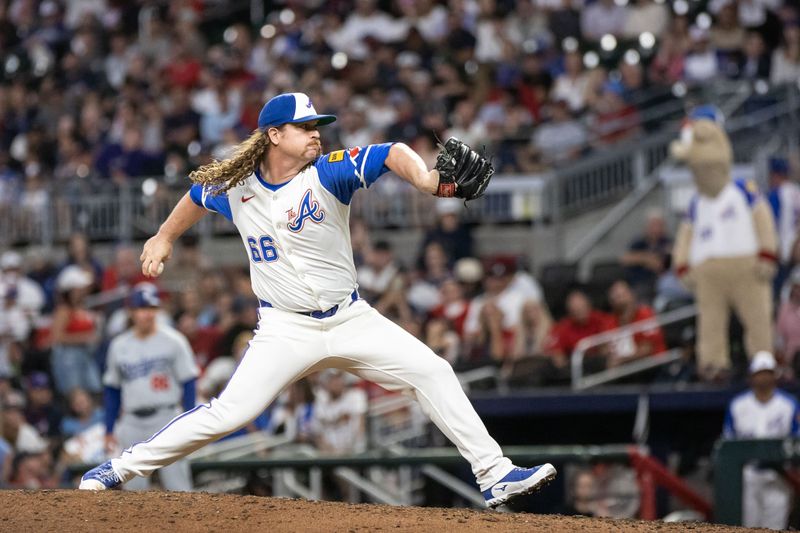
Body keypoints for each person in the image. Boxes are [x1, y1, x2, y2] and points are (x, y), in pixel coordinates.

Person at [80, 92, 556, 508]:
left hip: (350, 318)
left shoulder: (327, 173)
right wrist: (163, 237)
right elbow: (196, 194)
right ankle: (118, 469)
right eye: (304, 127)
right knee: (229, 414)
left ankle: (494, 475)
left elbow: (390, 152)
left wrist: (427, 180)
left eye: (317, 126)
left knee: (433, 371)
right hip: (285, 330)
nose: (315, 135)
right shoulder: (239, 187)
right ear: (273, 135)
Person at [101, 283, 198, 491]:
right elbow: (112, 389)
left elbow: (189, 382)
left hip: (167, 417)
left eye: (152, 309)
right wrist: (109, 428)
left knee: (178, 485)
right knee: (134, 490)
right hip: (132, 422)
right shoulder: (119, 346)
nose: (147, 314)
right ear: (131, 312)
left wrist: (187, 419)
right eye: (142, 309)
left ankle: (188, 524)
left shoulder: (174, 341)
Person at [723, 351, 799, 530]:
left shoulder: (788, 404)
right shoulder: (738, 405)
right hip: (748, 475)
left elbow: (796, 442)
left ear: (774, 375)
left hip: (778, 476)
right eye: (759, 373)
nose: (763, 377)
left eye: (767, 372)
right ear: (751, 376)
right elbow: (728, 445)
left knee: (775, 526)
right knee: (748, 526)